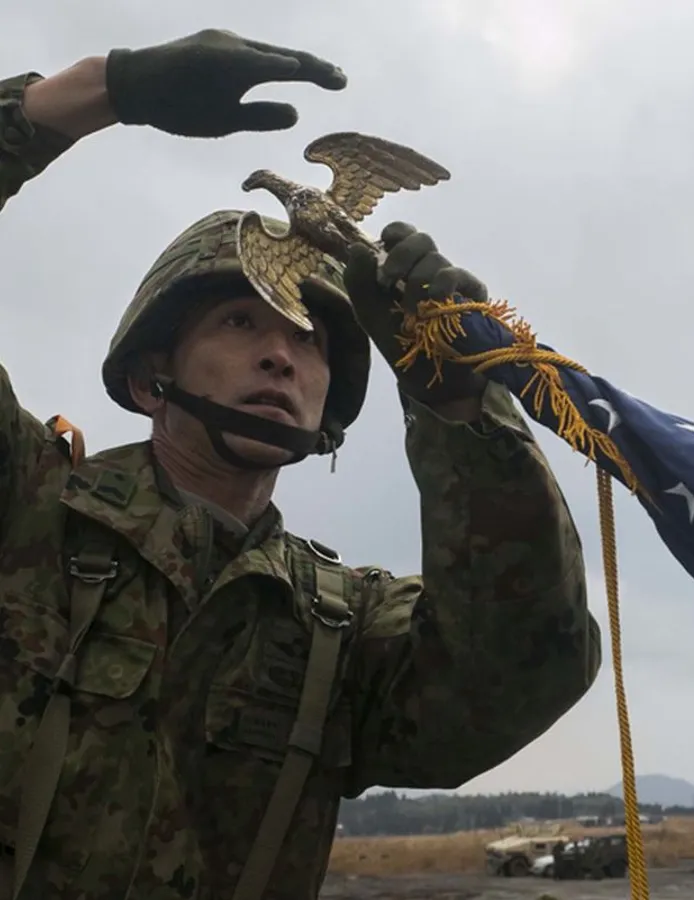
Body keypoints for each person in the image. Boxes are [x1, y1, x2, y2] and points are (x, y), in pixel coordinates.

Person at [0, 29, 601, 900]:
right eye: (241, 324)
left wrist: (462, 409)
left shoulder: (342, 628)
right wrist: (95, 92)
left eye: (310, 338)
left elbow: (520, 667)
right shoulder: (27, 505)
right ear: (147, 373)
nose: (282, 358)